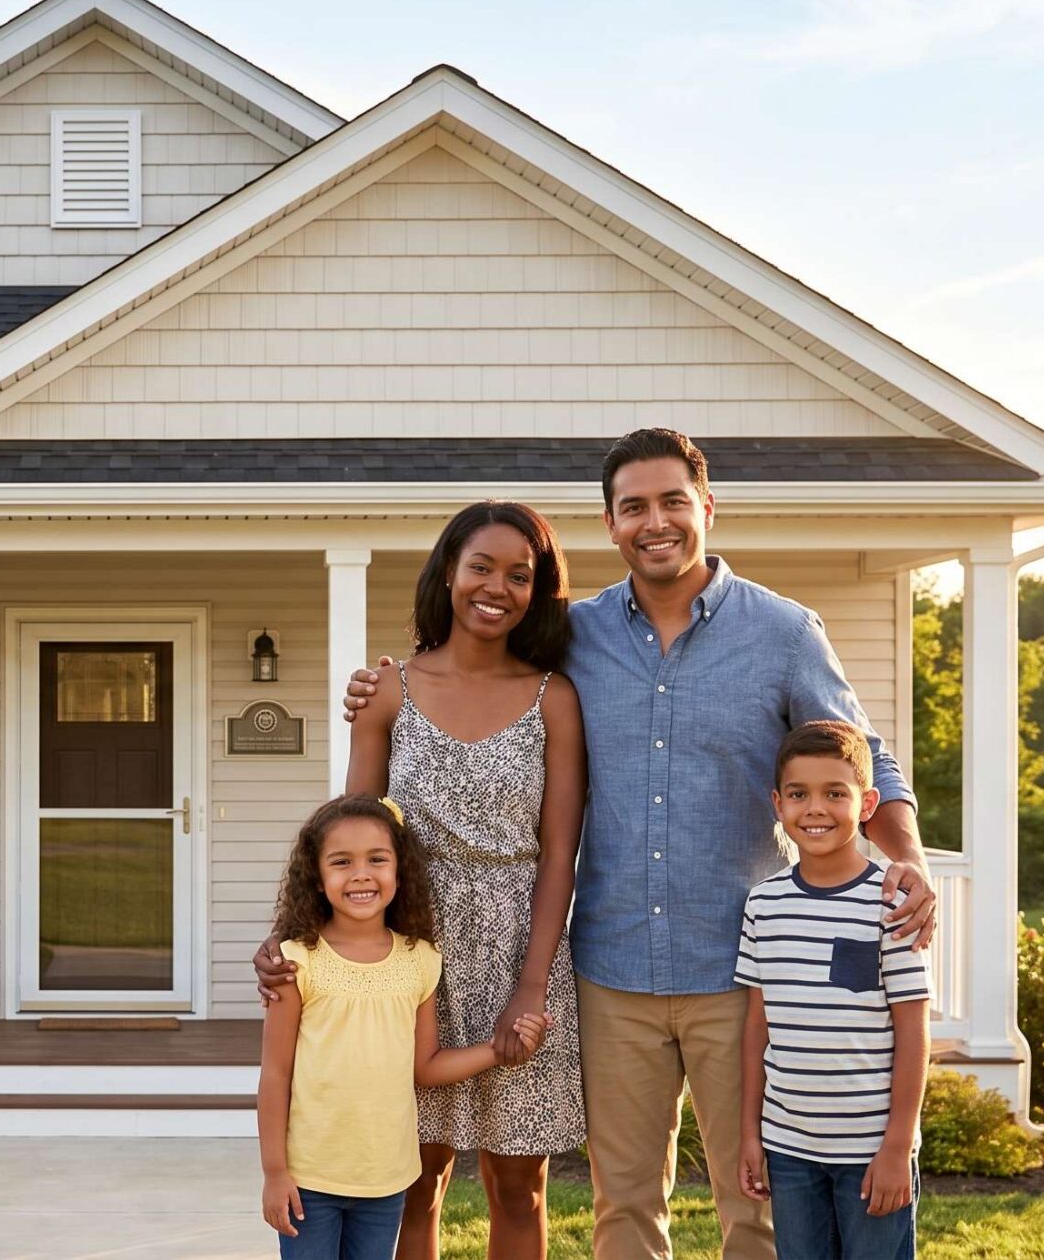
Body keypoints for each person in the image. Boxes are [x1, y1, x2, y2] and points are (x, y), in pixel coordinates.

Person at [332, 429, 940, 1260]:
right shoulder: (569, 640)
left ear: (707, 509)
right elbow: (471, 670)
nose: (655, 522)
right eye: (634, 508)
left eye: (672, 503)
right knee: (622, 1210)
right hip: (611, 967)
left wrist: (903, 854)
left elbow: (866, 752)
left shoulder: (786, 633)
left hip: (736, 967)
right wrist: (381, 683)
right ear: (611, 524)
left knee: (751, 1205)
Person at [260, 500, 588, 1260]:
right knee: (413, 1176)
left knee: (520, 1184)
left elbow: (559, 853)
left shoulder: (555, 699)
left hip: (518, 947)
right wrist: (288, 934)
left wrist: (532, 987)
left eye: (520, 575)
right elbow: (346, 835)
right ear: (447, 574)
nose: (496, 587)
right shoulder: (388, 691)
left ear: (538, 592)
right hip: (404, 952)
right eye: (481, 567)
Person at [258, 794, 519, 1260]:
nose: (361, 874)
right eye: (342, 862)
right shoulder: (296, 962)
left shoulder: (420, 960)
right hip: (308, 1180)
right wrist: (275, 1172)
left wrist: (495, 1051)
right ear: (317, 879)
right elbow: (275, 1074)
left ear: (399, 870)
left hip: (386, 1180)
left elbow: (426, 1066)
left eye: (377, 859)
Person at [735, 721, 929, 1258]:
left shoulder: (892, 901)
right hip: (789, 1147)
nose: (815, 808)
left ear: (867, 804)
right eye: (799, 794)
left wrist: (897, 1145)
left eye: (835, 794)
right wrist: (751, 1135)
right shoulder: (764, 905)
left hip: (872, 1151)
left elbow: (913, 1031)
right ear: (778, 803)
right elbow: (758, 1027)